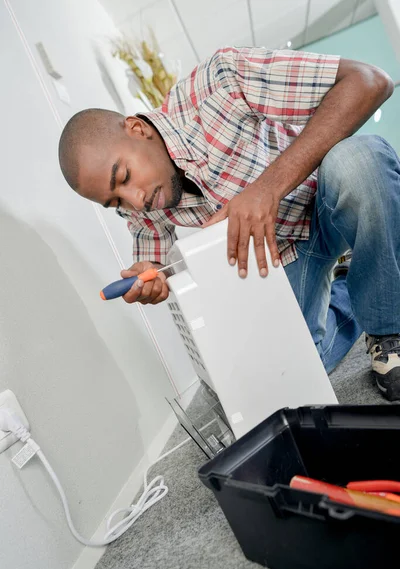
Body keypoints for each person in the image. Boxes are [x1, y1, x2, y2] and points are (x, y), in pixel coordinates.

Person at [58, 46, 400, 400]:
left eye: (125, 176)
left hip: (330, 197)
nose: (135, 200)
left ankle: (390, 329)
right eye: (115, 202)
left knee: (361, 161)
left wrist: (267, 188)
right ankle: (353, 290)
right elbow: (157, 263)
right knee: (292, 375)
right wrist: (155, 277)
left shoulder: (218, 83)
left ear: (137, 129)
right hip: (284, 255)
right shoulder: (137, 206)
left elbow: (371, 81)